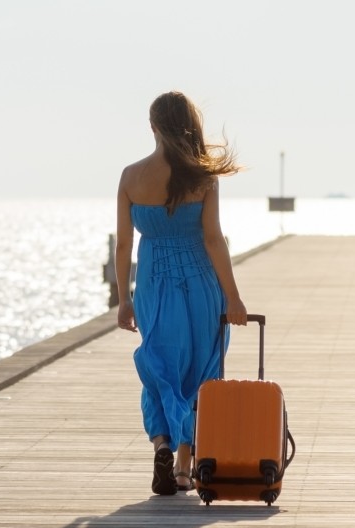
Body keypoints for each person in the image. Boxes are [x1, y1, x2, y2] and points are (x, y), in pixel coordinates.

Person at [114, 91, 247, 495]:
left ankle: (162, 445)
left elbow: (123, 246)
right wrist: (234, 296)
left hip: (153, 285)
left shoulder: (131, 176)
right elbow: (213, 239)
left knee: (160, 368)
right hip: (200, 285)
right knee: (202, 371)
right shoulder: (203, 177)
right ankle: (185, 466)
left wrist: (124, 300)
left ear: (153, 126)